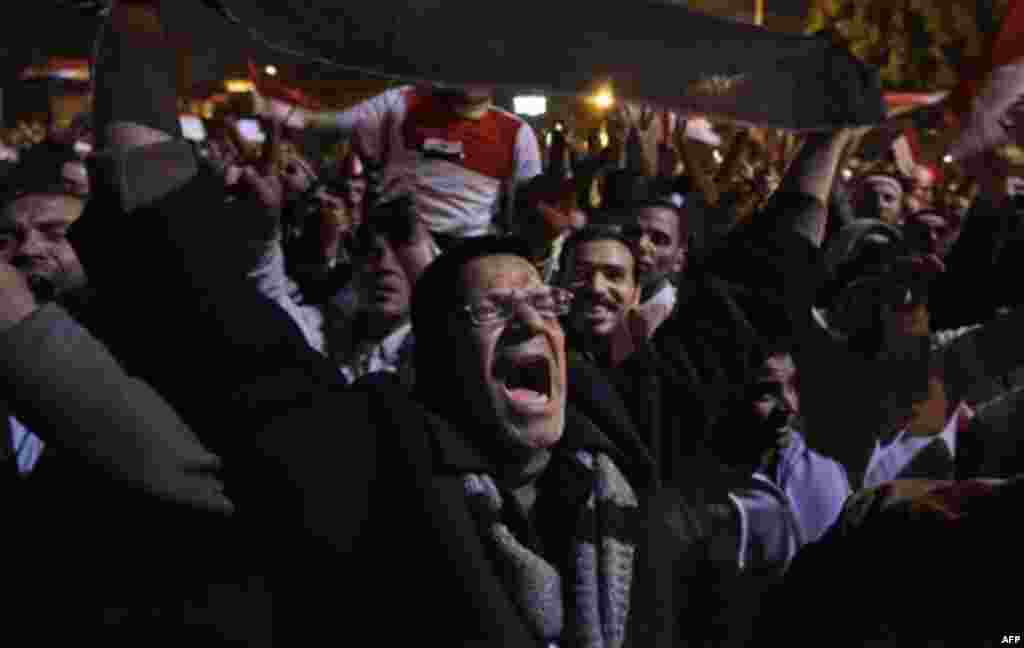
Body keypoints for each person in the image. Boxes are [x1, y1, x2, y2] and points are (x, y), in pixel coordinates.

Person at [257, 81, 542, 243]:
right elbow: (332, 122)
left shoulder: (517, 132)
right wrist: (272, 109)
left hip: (464, 252)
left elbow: (526, 210)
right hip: (393, 244)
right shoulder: (403, 101)